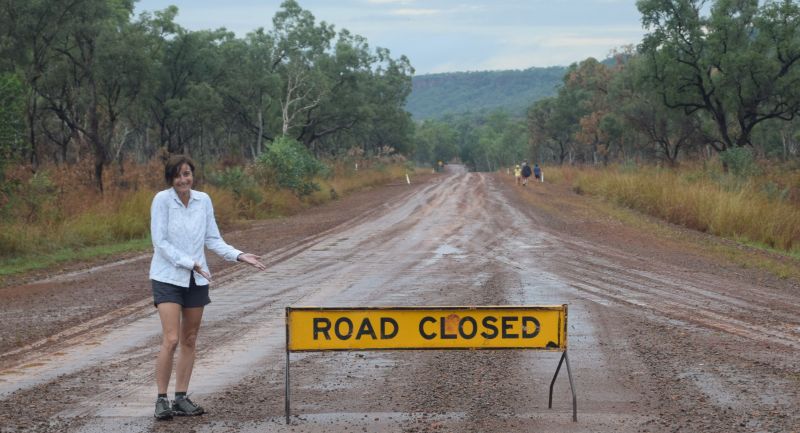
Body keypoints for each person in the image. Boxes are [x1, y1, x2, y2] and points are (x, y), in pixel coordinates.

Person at [150, 155, 266, 421]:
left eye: (187, 174)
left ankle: (181, 398)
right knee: (171, 339)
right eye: (178, 175)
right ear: (171, 178)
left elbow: (213, 239)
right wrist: (190, 263)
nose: (183, 179)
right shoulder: (162, 200)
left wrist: (239, 255)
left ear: (193, 175)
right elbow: (161, 243)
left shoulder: (203, 201)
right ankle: (161, 399)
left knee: (190, 339)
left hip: (197, 279)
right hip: (168, 276)